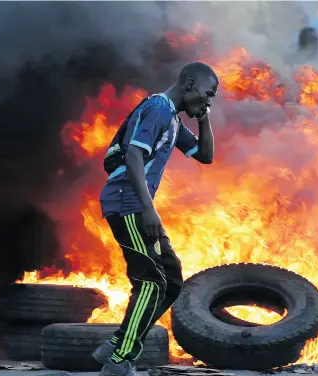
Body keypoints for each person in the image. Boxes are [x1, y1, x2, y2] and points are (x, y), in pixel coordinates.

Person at [93, 62, 219, 376]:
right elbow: (134, 155)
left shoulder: (173, 120)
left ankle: (118, 343)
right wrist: (148, 209)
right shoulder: (158, 109)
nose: (209, 100)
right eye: (208, 93)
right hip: (128, 204)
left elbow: (205, 156)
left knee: (172, 279)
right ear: (190, 83)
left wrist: (204, 118)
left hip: (139, 205)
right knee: (150, 281)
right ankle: (121, 359)